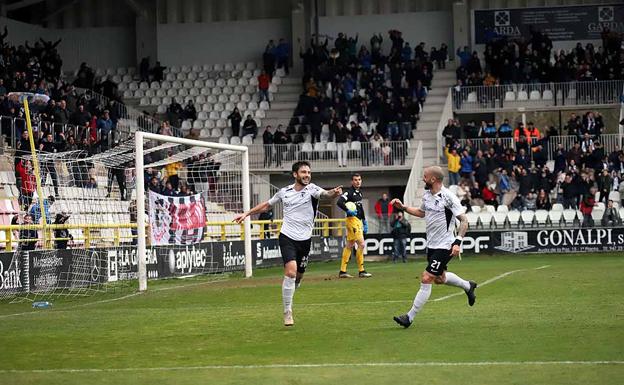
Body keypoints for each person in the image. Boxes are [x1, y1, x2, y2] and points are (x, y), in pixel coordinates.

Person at [233, 161, 342, 326]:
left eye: (308, 172)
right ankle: (287, 311)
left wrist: (334, 193)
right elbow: (266, 205)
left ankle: (292, 289)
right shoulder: (284, 192)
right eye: (303, 172)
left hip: (305, 240)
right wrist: (247, 213)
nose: (307, 175)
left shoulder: (312, 189)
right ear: (295, 174)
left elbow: (326, 195)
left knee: (298, 277)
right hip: (287, 237)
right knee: (290, 272)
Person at [390, 166, 477, 328]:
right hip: (432, 245)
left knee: (426, 278)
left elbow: (464, 221)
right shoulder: (427, 195)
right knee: (439, 278)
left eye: (425, 176)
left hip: (445, 245)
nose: (423, 178)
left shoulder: (448, 197)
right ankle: (467, 285)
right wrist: (403, 207)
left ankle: (409, 317)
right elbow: (422, 213)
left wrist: (458, 242)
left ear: (433, 179)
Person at [336, 174, 373, 278]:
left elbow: (360, 208)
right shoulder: (349, 192)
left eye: (359, 180)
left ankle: (342, 271)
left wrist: (364, 220)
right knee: (361, 244)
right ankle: (361, 270)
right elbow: (339, 202)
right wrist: (348, 210)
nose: (358, 182)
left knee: (349, 245)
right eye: (355, 180)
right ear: (352, 182)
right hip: (352, 220)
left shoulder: (359, 193)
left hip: (358, 221)